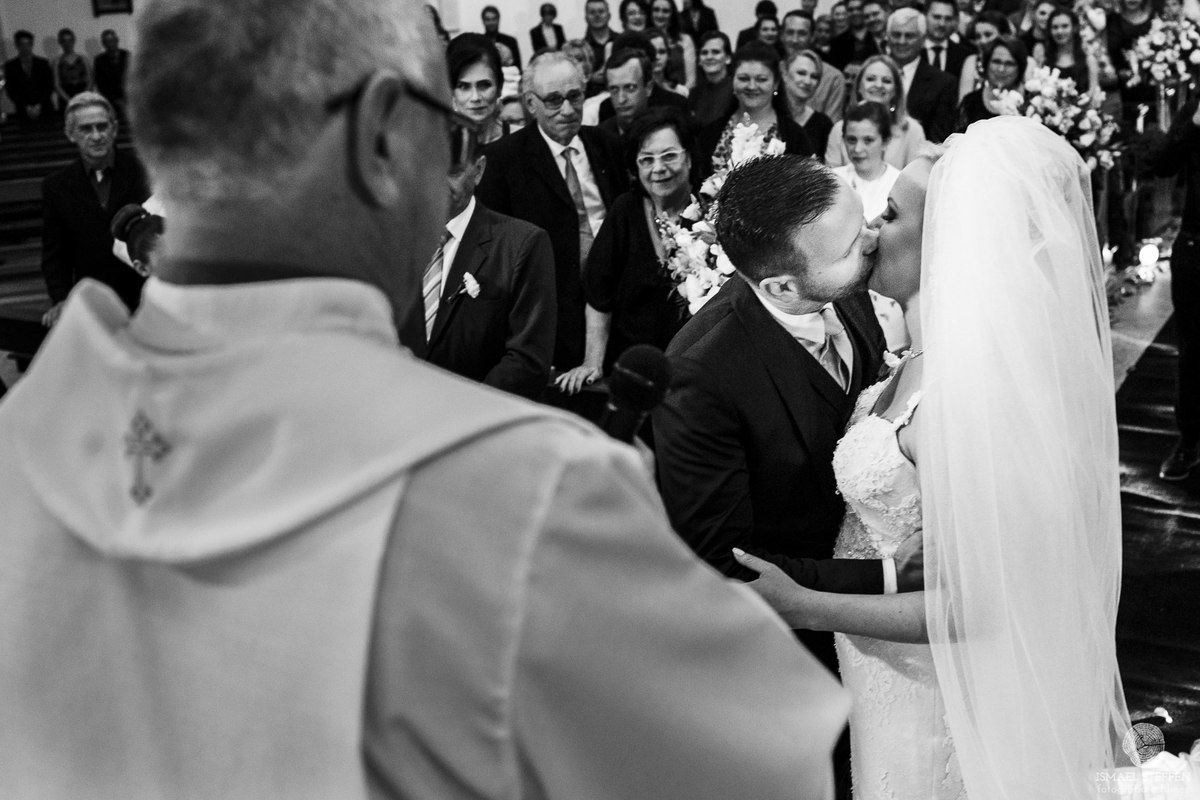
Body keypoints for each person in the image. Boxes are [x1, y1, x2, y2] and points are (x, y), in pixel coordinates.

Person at [0, 0, 856, 797]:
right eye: (446, 124)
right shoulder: (517, 490)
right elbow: (765, 770)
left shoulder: (28, 435)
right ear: (382, 134)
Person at [735, 115, 1133, 800]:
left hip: (929, 698)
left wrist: (802, 604)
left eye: (887, 214)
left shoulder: (962, 399)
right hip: (881, 678)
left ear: (952, 240)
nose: (866, 231)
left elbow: (973, 608)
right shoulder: (912, 357)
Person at [653, 153, 918, 681]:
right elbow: (727, 562)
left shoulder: (844, 281)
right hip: (790, 652)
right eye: (850, 247)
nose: (872, 240)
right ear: (781, 288)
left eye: (864, 220)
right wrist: (886, 575)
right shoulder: (699, 374)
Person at [476, 51, 628, 372]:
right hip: (551, 319)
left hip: (619, 310)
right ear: (531, 104)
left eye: (575, 97)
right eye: (554, 100)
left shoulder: (607, 145)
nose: (568, 110)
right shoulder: (503, 161)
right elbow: (497, 256)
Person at [559, 109, 693, 394]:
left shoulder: (710, 212)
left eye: (669, 156)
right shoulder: (625, 211)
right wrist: (591, 362)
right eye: (646, 160)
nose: (658, 168)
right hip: (632, 372)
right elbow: (598, 294)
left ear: (690, 158)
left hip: (694, 375)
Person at [421, 123, 556, 401]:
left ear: (478, 170)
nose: (437, 182)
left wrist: (465, 410)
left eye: (453, 171)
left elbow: (528, 359)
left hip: (475, 420)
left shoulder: (522, 244)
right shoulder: (396, 239)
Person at [41, 92, 150, 326]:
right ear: (71, 134)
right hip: (94, 304)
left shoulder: (144, 174)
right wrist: (60, 299)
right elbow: (56, 255)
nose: (96, 136)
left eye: (102, 126)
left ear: (114, 128)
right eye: (86, 129)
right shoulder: (56, 186)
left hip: (145, 300)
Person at [1153, 99, 1200, 480]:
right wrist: (1194, 124)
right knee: (1190, 352)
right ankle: (1188, 441)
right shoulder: (1194, 107)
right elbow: (1162, 164)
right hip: (1194, 244)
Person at [697, 43, 815, 177]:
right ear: (733, 81)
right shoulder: (710, 134)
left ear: (775, 83)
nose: (752, 86)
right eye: (743, 79)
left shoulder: (795, 136)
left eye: (761, 79)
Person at [826, 55, 929, 169]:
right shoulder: (839, 129)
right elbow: (831, 179)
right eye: (871, 79)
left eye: (886, 81)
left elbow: (915, 180)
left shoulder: (912, 130)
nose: (878, 85)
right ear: (859, 86)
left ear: (896, 90)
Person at [887, 8, 959, 143]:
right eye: (896, 35)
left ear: (922, 40)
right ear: (888, 37)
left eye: (909, 36)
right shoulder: (872, 74)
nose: (902, 41)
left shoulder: (943, 83)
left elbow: (938, 140)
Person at [831, 102, 900, 221]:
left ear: (885, 142)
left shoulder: (899, 183)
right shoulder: (833, 179)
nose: (857, 149)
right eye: (851, 140)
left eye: (868, 140)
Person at [781, 11, 848, 124]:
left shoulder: (833, 78)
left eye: (802, 34)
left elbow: (830, 128)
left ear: (812, 37)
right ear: (781, 36)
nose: (795, 40)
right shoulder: (772, 72)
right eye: (790, 33)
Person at [447, 34, 509, 145]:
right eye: (464, 87)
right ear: (452, 92)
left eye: (484, 85)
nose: (475, 97)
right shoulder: (437, 149)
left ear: (499, 86)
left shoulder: (523, 141)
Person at [957, 37, 1027, 129]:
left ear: (1020, 67)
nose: (1001, 69)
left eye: (1009, 64)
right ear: (987, 64)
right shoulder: (970, 103)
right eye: (996, 62)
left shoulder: (1031, 103)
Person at [783, 49, 836, 157]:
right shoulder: (770, 115)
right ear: (785, 75)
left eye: (814, 76)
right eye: (801, 73)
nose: (807, 81)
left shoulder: (823, 124)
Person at [1041, 8, 1100, 96]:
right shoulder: (1044, 60)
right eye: (1055, 27)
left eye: (1065, 26)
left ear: (1075, 28)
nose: (1059, 31)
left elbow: (1094, 93)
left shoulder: (1089, 60)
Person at [957, 10, 1013, 99]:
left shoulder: (1023, 61)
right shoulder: (972, 61)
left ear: (1004, 35)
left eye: (988, 35)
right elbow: (963, 102)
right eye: (978, 36)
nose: (982, 41)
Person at [599, 47, 653, 138]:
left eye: (630, 88)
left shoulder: (666, 134)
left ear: (648, 88)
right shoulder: (598, 139)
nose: (621, 99)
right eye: (614, 89)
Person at [4, 30, 53, 123]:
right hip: (23, 110)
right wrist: (26, 106)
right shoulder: (10, 66)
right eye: (22, 44)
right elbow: (11, 89)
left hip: (45, 108)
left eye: (28, 44)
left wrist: (39, 105)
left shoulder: (43, 63)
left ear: (32, 44)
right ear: (17, 45)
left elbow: (49, 86)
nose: (25, 48)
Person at [688, 30, 734, 128]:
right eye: (704, 53)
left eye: (715, 52)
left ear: (728, 58)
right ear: (699, 60)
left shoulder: (737, 91)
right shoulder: (694, 94)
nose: (709, 57)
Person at [650, 0, 696, 89]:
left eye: (665, 11)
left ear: (672, 14)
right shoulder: (643, 39)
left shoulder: (685, 40)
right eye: (656, 10)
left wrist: (676, 96)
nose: (660, 15)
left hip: (682, 96)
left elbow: (691, 80)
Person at [924, 0, 972, 78]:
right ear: (924, 16)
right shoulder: (912, 50)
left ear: (955, 21)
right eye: (937, 17)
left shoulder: (965, 56)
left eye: (948, 19)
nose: (942, 24)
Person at [52, 28, 92, 108]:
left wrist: (82, 98)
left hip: (84, 96)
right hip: (65, 97)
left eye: (70, 40)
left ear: (74, 41)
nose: (67, 44)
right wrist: (69, 101)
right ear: (60, 42)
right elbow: (56, 84)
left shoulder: (83, 59)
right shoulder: (57, 61)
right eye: (64, 41)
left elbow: (90, 81)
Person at [93, 29, 130, 113]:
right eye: (107, 42)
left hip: (130, 97)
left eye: (112, 40)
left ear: (117, 41)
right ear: (103, 44)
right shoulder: (99, 60)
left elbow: (134, 79)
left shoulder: (127, 55)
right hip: (111, 101)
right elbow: (101, 84)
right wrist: (117, 100)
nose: (110, 44)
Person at [583, 0, 615, 94]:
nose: (597, 15)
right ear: (586, 18)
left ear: (609, 16)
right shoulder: (581, 48)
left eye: (601, 11)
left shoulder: (621, 42)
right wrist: (590, 78)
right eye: (592, 12)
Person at [646, 27, 688, 95]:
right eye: (652, 52)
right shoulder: (639, 93)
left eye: (661, 52)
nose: (657, 57)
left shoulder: (681, 91)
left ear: (668, 55)